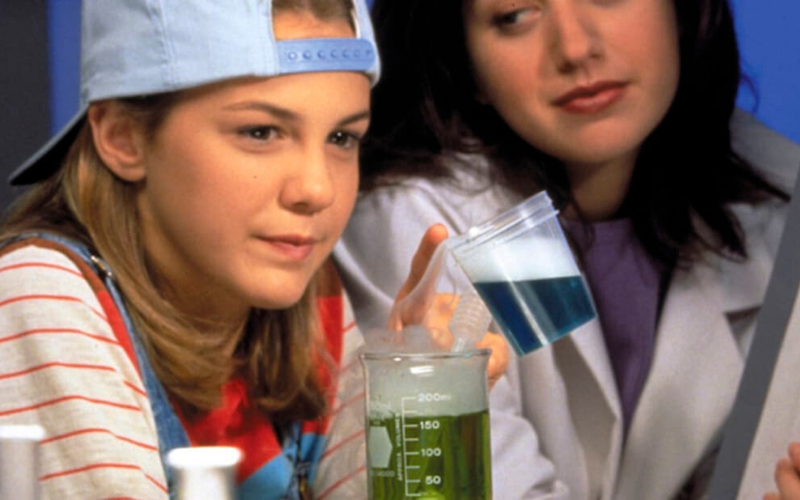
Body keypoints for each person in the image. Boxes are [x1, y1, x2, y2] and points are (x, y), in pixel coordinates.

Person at [0, 0, 499, 498]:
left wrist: (414, 409)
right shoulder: (39, 290)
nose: (316, 189)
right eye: (260, 132)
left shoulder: (309, 295)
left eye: (342, 138)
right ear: (123, 137)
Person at [333, 0, 800, 498]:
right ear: (464, 59)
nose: (576, 50)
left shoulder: (778, 193)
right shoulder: (417, 224)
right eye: (513, 14)